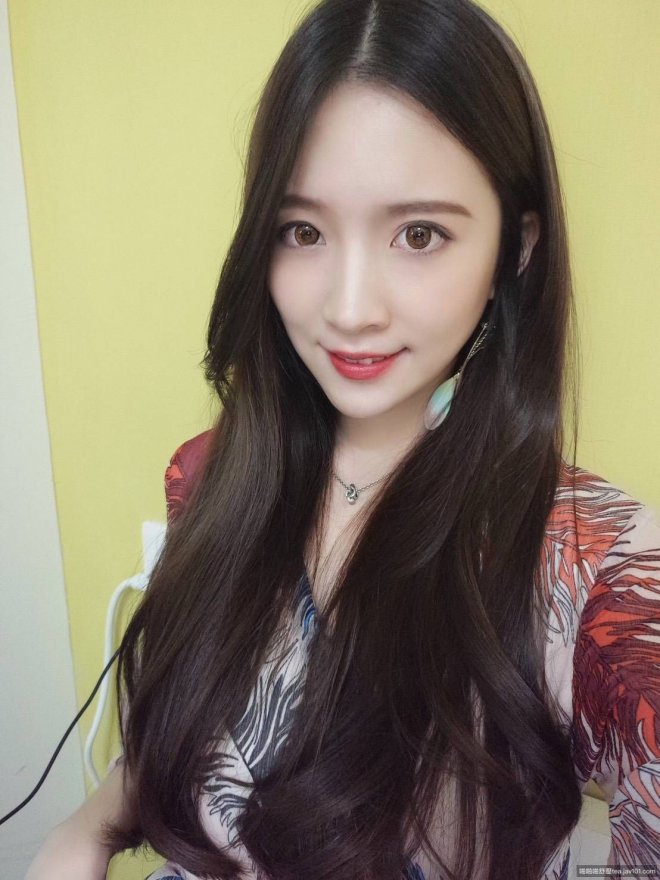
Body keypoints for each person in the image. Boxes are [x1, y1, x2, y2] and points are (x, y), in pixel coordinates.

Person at [26, 0, 660, 878]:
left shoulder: (600, 570)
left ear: (514, 251)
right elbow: (185, 746)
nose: (350, 308)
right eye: (304, 231)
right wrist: (84, 831)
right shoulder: (211, 476)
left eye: (419, 234)